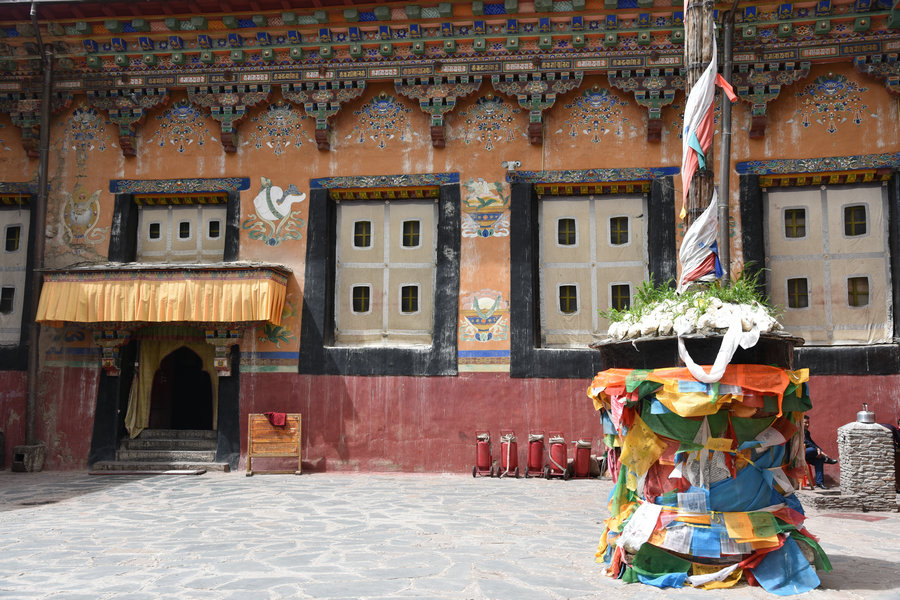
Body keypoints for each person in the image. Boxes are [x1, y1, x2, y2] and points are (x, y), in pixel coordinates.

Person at [803, 414, 837, 489]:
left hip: (808, 455)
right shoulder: (798, 432)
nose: (807, 424)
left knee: (819, 460)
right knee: (813, 449)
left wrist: (821, 451)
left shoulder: (807, 432)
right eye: (805, 422)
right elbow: (806, 442)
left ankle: (819, 482)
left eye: (808, 423)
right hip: (798, 455)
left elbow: (812, 442)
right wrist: (817, 450)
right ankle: (826, 459)